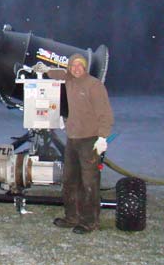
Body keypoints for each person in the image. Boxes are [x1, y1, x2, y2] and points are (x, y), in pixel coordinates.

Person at [40, 53, 114, 234]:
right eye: (73, 66)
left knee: (89, 182)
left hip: (90, 140)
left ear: (85, 67)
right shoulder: (70, 79)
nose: (76, 69)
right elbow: (59, 74)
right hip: (72, 139)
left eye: (80, 66)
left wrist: (103, 137)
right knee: (69, 181)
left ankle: (90, 222)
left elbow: (105, 113)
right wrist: (46, 70)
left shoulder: (94, 85)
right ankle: (72, 217)